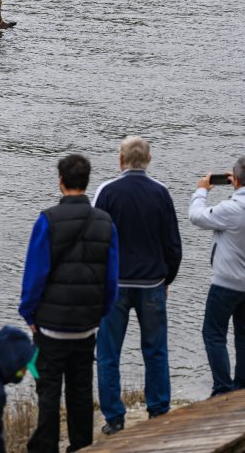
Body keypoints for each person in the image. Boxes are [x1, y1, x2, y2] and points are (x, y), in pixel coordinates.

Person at [17, 154, 119, 453]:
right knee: (80, 387)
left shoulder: (47, 220)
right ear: (86, 182)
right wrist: (99, 313)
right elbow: (111, 277)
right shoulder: (105, 222)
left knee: (48, 388)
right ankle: (80, 450)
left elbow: (35, 273)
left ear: (60, 181)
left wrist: (28, 312)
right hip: (86, 324)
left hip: (51, 325)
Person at [93, 136, 182, 435]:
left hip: (115, 284)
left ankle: (114, 418)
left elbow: (95, 241)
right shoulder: (161, 193)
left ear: (121, 160)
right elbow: (172, 244)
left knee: (108, 354)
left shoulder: (106, 191)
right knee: (156, 350)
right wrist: (167, 278)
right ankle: (158, 411)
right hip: (152, 283)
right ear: (149, 159)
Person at [189, 156, 245, 397]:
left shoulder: (232, 208)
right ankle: (241, 387)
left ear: (235, 180)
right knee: (243, 336)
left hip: (226, 284)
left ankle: (222, 389)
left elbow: (197, 216)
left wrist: (201, 191)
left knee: (213, 334)